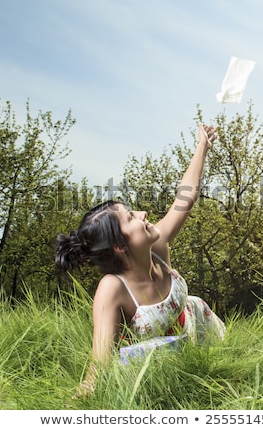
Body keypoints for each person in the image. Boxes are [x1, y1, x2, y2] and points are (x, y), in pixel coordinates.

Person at [54, 123, 226, 395]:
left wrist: (202, 146)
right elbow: (99, 363)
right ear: (120, 245)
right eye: (131, 217)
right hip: (162, 374)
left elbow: (186, 197)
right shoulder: (113, 288)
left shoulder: (156, 246)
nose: (143, 213)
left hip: (202, 330)